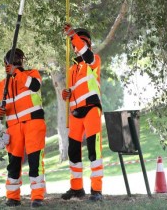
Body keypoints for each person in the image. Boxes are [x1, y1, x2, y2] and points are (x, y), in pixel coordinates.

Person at [0, 48, 46, 207]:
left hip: (34, 123)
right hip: (13, 128)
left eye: (17, 58)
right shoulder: (1, 85)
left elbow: (34, 86)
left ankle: (37, 197)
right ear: (5, 64)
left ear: (22, 60)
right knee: (13, 163)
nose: (16, 61)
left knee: (35, 161)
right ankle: (12, 197)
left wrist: (16, 73)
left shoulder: (32, 74)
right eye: (12, 60)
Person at [60, 24, 104, 202]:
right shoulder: (71, 70)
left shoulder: (93, 60)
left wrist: (73, 35)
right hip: (75, 113)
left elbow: (86, 54)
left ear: (87, 44)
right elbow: (72, 91)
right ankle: (77, 188)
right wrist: (66, 95)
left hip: (92, 108)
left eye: (80, 44)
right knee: (73, 151)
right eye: (75, 44)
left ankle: (97, 190)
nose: (76, 47)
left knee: (94, 149)